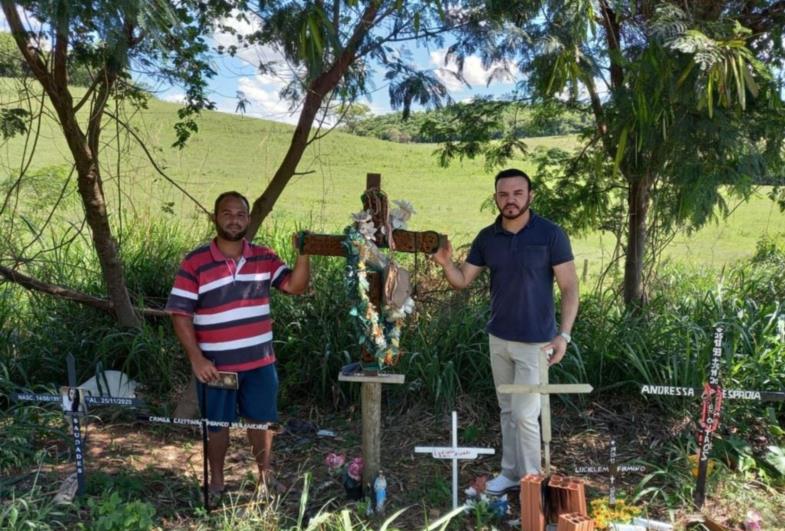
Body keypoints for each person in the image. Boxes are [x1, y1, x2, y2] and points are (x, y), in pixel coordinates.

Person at [431, 168, 579, 495]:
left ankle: (531, 487)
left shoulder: (551, 235)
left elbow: (570, 288)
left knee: (527, 415)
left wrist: (563, 335)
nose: (510, 200)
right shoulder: (487, 238)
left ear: (530, 196)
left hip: (537, 343)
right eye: (503, 194)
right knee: (509, 411)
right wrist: (445, 263)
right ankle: (511, 473)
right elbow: (462, 281)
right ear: (496, 197)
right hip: (498, 339)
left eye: (517, 193)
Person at [165, 191, 310, 495]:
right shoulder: (196, 262)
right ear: (215, 217)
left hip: (260, 363)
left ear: (248, 219)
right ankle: (217, 481)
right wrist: (197, 359)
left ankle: (264, 478)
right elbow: (180, 314)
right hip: (216, 368)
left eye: (241, 214)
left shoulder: (264, 257)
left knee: (262, 422)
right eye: (227, 213)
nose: (234, 219)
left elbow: (295, 286)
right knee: (217, 426)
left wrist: (304, 252)